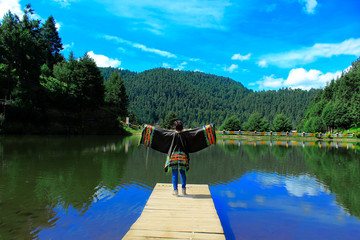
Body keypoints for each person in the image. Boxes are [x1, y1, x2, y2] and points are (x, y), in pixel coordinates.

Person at [140, 120, 216, 196]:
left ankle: (175, 190)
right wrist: (209, 127)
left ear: (175, 127)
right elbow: (197, 132)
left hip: (173, 157)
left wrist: (147, 127)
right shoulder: (186, 135)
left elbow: (160, 132)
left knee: (174, 174)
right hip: (183, 157)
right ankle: (183, 190)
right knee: (182, 173)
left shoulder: (171, 134)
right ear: (182, 127)